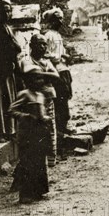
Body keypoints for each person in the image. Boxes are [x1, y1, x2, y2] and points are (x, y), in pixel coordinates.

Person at [9, 72, 53, 204]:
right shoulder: (24, 94)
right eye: (36, 79)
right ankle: (25, 194)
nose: (39, 81)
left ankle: (38, 191)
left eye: (41, 79)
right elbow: (12, 110)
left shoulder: (40, 95)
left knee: (39, 162)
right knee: (28, 163)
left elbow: (42, 113)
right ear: (29, 81)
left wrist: (46, 118)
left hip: (39, 133)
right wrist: (25, 116)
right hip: (27, 134)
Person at [21, 34, 59, 167]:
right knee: (36, 132)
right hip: (34, 102)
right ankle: (38, 162)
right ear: (32, 46)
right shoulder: (26, 60)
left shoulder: (46, 62)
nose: (43, 47)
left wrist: (40, 74)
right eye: (40, 44)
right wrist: (46, 75)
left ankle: (50, 160)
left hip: (48, 100)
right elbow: (30, 77)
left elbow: (56, 76)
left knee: (51, 129)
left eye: (44, 44)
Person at [0, 1, 22, 142]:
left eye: (9, 11)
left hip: (8, 69)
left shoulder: (6, 26)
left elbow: (15, 46)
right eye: (5, 11)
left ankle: (10, 130)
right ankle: (0, 132)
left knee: (10, 99)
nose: (7, 14)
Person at [43, 9, 73, 140]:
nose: (60, 22)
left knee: (65, 96)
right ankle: (60, 129)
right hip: (55, 70)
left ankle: (64, 125)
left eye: (61, 19)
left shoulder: (57, 35)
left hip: (63, 69)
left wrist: (65, 56)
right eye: (57, 19)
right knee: (60, 99)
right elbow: (45, 53)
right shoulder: (48, 36)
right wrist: (60, 56)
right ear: (51, 21)